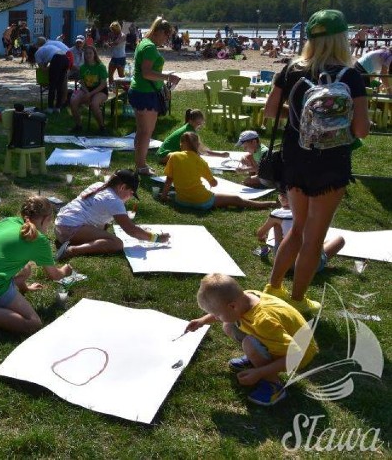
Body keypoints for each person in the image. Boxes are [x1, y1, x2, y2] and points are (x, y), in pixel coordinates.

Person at [261, 9, 369, 313]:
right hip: (331, 164)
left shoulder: (291, 69)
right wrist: (332, 126)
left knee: (296, 230)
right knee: (314, 237)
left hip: (295, 158)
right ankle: (297, 300)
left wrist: (304, 120)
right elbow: (361, 129)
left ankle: (272, 287)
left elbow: (270, 112)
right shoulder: (350, 76)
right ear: (341, 38)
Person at [184, 273, 318, 406]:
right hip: (283, 343)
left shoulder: (263, 322)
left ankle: (274, 386)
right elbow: (224, 313)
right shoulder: (245, 297)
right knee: (229, 325)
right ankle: (259, 358)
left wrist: (259, 373)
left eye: (216, 314)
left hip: (300, 354)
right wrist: (202, 321)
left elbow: (296, 355)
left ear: (232, 306)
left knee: (249, 344)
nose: (215, 317)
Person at [0, 197, 73, 338]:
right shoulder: (39, 240)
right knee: (33, 323)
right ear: (45, 218)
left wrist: (25, 288)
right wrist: (66, 270)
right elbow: (54, 275)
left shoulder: (8, 221)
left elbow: (5, 258)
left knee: (26, 267)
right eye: (49, 222)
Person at [54, 169, 170, 261]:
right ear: (123, 187)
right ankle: (72, 250)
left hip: (60, 225)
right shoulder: (113, 200)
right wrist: (157, 238)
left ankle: (71, 245)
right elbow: (132, 231)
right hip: (68, 229)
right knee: (117, 243)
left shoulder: (99, 185)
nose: (129, 198)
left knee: (105, 232)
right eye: (131, 193)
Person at [159, 132, 277, 211]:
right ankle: (269, 204)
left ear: (181, 144)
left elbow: (169, 180)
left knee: (173, 194)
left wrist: (164, 196)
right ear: (197, 145)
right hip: (202, 201)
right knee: (236, 199)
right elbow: (213, 183)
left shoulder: (173, 156)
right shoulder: (200, 161)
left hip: (182, 201)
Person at [129, 17, 181, 176]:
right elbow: (147, 73)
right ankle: (141, 166)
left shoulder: (143, 42)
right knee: (146, 132)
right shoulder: (150, 47)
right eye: (166, 35)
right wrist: (168, 77)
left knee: (141, 131)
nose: (166, 40)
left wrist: (163, 80)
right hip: (146, 93)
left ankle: (139, 164)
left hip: (140, 91)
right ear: (158, 32)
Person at [255, 191, 344, 267]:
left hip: (283, 264)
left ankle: (275, 256)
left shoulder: (277, 214)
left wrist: (263, 237)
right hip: (310, 267)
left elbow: (260, 233)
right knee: (340, 240)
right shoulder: (314, 211)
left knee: (277, 224)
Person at [156, 109, 227, 164]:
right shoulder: (189, 132)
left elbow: (201, 147)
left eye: (201, 123)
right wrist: (220, 155)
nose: (199, 126)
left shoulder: (189, 127)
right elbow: (200, 150)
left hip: (165, 155)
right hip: (165, 157)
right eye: (198, 124)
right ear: (190, 121)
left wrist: (219, 154)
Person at [69, 45, 109, 133]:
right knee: (73, 101)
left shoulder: (101, 67)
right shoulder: (83, 67)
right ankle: (78, 125)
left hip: (100, 90)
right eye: (86, 53)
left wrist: (90, 94)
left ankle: (102, 127)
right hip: (86, 89)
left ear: (95, 54)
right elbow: (82, 82)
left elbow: (103, 84)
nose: (88, 55)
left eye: (90, 53)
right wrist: (87, 92)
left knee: (94, 104)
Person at [34, 36, 71, 113]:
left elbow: (43, 69)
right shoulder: (48, 47)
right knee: (60, 85)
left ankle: (50, 108)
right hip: (65, 59)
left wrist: (49, 68)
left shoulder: (37, 53)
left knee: (52, 85)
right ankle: (58, 108)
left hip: (57, 59)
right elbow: (51, 58)